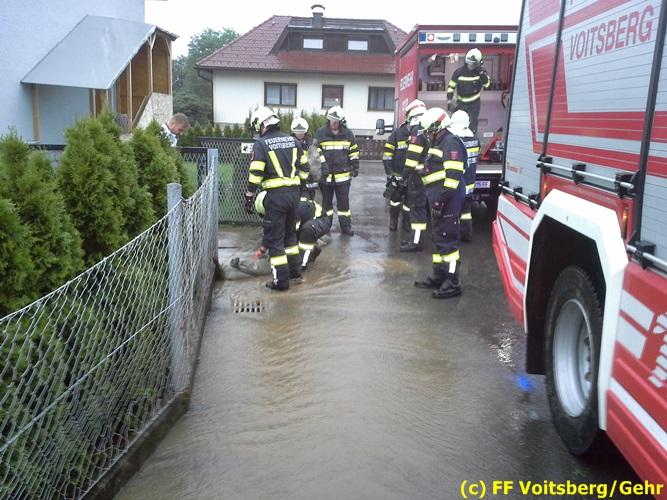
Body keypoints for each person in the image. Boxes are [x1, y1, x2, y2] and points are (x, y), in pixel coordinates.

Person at [244, 106, 309, 290]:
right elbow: (305, 169)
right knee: (290, 236)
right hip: (294, 197)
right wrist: (298, 187)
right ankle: (295, 274)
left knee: (275, 241)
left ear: (262, 124)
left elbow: (256, 173)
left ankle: (280, 282)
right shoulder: (293, 141)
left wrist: (249, 196)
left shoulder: (261, 144)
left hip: (275, 198)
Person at [414, 107, 467, 299]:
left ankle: (453, 282)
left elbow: (453, 176)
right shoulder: (439, 142)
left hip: (448, 200)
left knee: (448, 240)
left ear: (438, 128)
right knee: (438, 239)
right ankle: (439, 275)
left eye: (429, 131)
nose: (427, 135)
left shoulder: (450, 142)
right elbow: (437, 167)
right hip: (438, 198)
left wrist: (440, 201)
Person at [314, 106, 360, 236]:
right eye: (332, 120)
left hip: (343, 176)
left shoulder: (348, 134)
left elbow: (354, 152)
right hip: (326, 177)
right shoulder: (320, 133)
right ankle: (326, 227)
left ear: (341, 121)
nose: (334, 123)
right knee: (326, 204)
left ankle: (346, 227)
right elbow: (315, 151)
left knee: (344, 204)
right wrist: (322, 166)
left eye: (336, 121)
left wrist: (355, 166)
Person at [383, 101, 425, 233]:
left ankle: (406, 224)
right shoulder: (397, 133)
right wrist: (390, 173)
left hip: (413, 176)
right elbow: (387, 154)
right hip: (397, 174)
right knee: (395, 200)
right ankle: (393, 222)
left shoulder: (421, 134)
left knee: (409, 202)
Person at [401, 99, 429, 252]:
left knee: (417, 209)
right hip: (427, 176)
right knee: (421, 208)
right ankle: (416, 239)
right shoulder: (428, 128)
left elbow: (411, 159)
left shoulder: (417, 131)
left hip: (418, 177)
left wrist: (404, 176)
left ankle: (416, 242)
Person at [449, 110, 480, 242]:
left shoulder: (456, 141)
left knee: (453, 211)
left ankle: (453, 237)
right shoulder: (475, 140)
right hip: (470, 182)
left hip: (459, 183)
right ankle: (467, 235)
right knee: (466, 211)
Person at [446, 48, 491, 133]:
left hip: (474, 104)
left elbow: (487, 85)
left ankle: (472, 138)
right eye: (469, 63)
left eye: (473, 64)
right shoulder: (458, 72)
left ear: (478, 63)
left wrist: (481, 73)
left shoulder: (481, 72)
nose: (470, 65)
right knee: (457, 123)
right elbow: (451, 87)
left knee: (472, 126)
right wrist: (449, 101)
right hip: (460, 103)